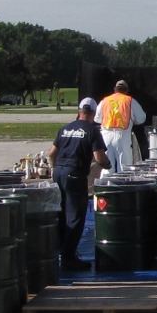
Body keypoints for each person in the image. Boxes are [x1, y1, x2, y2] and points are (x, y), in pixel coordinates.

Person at [48, 98, 109, 271]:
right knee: (75, 216)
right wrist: (107, 164)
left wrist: (56, 168)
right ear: (94, 113)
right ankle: (68, 258)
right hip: (75, 174)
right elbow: (99, 158)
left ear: (79, 110)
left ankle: (61, 252)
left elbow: (51, 153)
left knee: (61, 213)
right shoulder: (92, 131)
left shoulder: (65, 128)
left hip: (59, 172)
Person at [94, 80, 146, 176]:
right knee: (124, 168)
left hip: (106, 136)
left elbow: (97, 118)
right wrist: (132, 120)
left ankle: (105, 187)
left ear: (115, 89)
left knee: (107, 166)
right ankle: (123, 188)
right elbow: (141, 118)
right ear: (126, 90)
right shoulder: (130, 100)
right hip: (123, 136)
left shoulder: (105, 100)